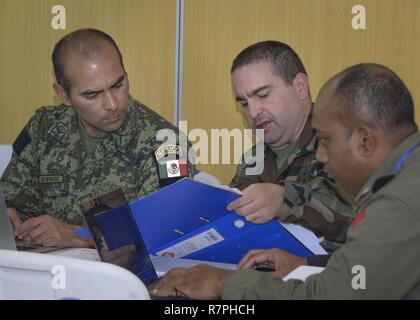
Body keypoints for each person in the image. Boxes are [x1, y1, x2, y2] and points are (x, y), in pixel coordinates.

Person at [153, 63, 420, 299]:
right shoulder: (406, 175)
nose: (321, 155)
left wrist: (225, 284)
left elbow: (332, 295)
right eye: (244, 102)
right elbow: (370, 268)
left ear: (365, 141)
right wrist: (307, 262)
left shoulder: (397, 203)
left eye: (326, 141)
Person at [0, 29, 195, 248]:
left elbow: (167, 231)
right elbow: (12, 199)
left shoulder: (167, 145)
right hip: (46, 274)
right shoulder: (43, 130)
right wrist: (9, 217)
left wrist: (78, 236)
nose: (112, 104)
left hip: (123, 279)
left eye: (118, 85)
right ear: (63, 95)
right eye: (92, 95)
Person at [227, 41, 354, 243]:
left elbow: (366, 221)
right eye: (244, 103)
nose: (252, 112)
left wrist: (284, 199)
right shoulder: (253, 159)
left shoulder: (343, 141)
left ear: (300, 87)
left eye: (263, 95)